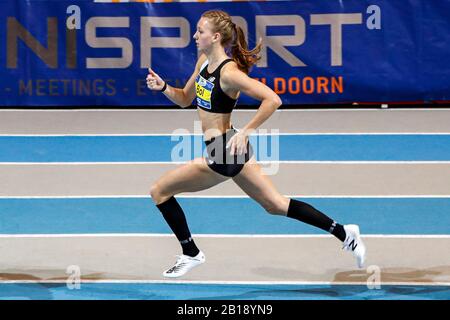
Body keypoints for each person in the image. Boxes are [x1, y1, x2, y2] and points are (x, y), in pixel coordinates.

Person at [146, 10, 366, 278]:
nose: (195, 35)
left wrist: (246, 131)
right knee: (275, 204)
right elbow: (183, 99)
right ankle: (344, 232)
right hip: (230, 149)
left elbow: (273, 99)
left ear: (215, 37)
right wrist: (163, 87)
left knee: (159, 191)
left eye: (200, 31)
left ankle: (190, 252)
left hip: (224, 153)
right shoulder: (203, 62)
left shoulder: (230, 73)